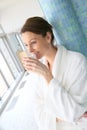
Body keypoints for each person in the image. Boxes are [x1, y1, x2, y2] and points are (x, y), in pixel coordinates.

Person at [21, 16, 87, 130]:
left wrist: (48, 75)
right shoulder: (37, 71)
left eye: (33, 42)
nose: (30, 50)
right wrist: (62, 116)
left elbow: (73, 112)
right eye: (26, 45)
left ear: (47, 37)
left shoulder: (77, 61)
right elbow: (39, 114)